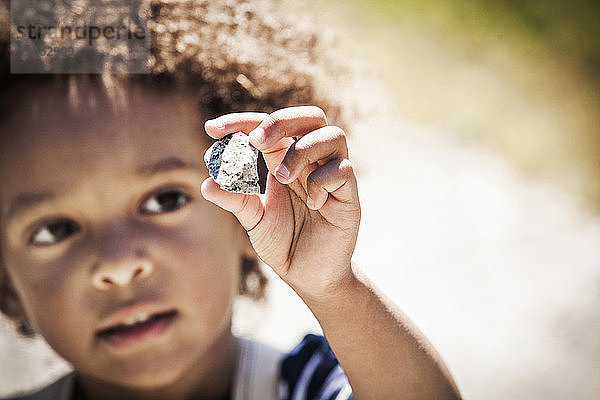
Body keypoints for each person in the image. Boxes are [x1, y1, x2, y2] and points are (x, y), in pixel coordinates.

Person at [0, 1, 462, 399]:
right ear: (6, 279)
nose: (118, 265)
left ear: (246, 206)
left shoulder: (303, 387)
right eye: (54, 230)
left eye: (164, 200)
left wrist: (332, 288)